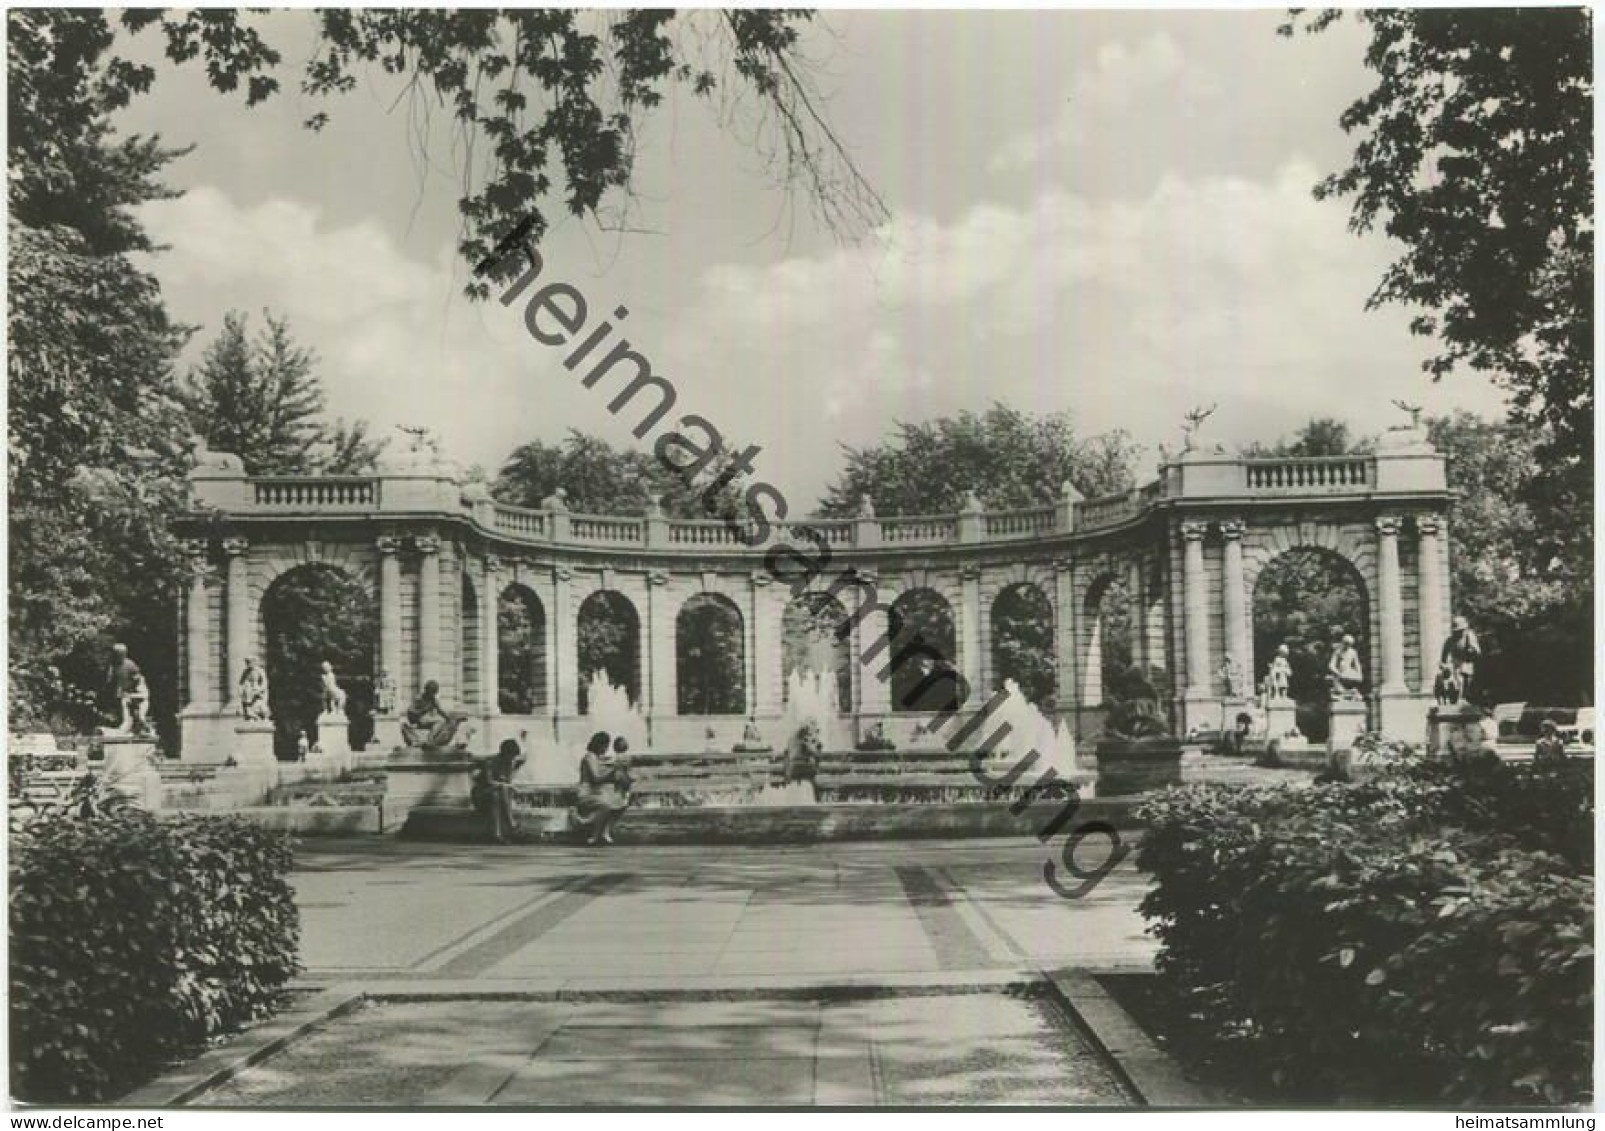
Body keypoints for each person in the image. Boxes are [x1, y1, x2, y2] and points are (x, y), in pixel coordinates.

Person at [572, 731, 631, 845]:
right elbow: (596, 777)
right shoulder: (589, 757)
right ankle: (594, 834)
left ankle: (605, 831)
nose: (606, 748)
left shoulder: (598, 758)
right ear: (599, 745)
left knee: (622, 802)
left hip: (596, 794)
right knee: (606, 805)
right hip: (586, 795)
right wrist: (613, 769)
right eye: (605, 745)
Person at [473, 737, 526, 843]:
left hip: (496, 797)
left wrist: (507, 786)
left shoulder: (510, 764)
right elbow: (489, 782)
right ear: (504, 754)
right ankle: (511, 824)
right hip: (481, 795)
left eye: (514, 757)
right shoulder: (490, 762)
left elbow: (508, 782)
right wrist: (506, 786)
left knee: (496, 795)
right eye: (511, 756)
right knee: (499, 791)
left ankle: (496, 835)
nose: (513, 759)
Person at [401, 680, 467, 749]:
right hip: (417, 719)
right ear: (427, 690)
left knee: (441, 721)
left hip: (424, 718)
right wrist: (422, 711)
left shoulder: (433, 699)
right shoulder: (419, 698)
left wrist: (449, 719)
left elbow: (440, 711)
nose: (433, 694)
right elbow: (410, 711)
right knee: (439, 721)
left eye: (434, 692)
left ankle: (435, 739)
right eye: (432, 692)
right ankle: (430, 739)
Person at [1440, 616, 1482, 704]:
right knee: (1455, 681)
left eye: (1460, 631)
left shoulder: (1469, 636)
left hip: (1467, 662)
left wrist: (1471, 650)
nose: (1458, 633)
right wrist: (1443, 665)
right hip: (1455, 664)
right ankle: (1455, 699)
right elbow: (1444, 656)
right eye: (1456, 631)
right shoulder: (1450, 640)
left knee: (1466, 682)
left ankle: (1464, 699)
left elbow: (1477, 652)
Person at [1328, 634, 1364, 700]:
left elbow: (1357, 665)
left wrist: (1360, 674)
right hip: (1339, 672)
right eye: (1346, 644)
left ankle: (1350, 693)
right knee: (1335, 680)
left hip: (1349, 672)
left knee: (1355, 679)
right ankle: (1342, 692)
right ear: (1343, 642)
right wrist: (1337, 672)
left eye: (1349, 645)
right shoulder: (1338, 651)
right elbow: (1331, 665)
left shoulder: (1353, 652)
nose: (1347, 646)